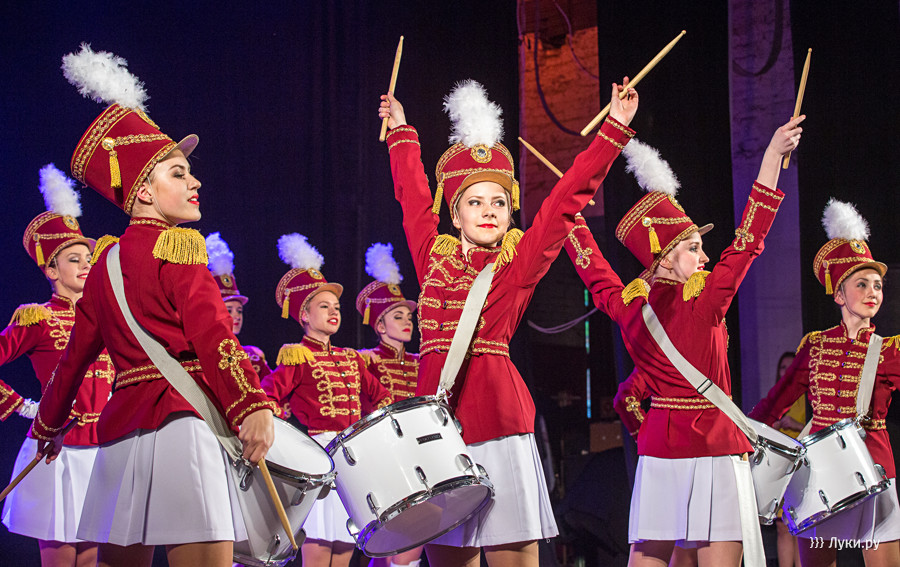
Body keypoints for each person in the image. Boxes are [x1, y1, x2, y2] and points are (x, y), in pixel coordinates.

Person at [31, 45, 275, 567]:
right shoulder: (179, 246)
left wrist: (47, 428)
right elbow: (213, 335)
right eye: (179, 174)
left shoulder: (103, 265)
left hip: (120, 437)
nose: (195, 182)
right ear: (143, 191)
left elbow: (73, 360)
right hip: (181, 425)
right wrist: (250, 403)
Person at [379, 76, 638, 567]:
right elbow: (412, 198)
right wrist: (401, 132)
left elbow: (563, 204)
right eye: (475, 202)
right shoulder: (432, 256)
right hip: (437, 429)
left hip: (498, 424)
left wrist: (613, 131)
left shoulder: (516, 264)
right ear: (455, 213)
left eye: (499, 202)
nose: (489, 212)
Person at [562, 116, 804, 566]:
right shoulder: (704, 299)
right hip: (714, 446)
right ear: (664, 256)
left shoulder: (628, 306)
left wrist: (570, 214)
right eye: (693, 246)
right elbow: (748, 240)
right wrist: (771, 157)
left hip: (659, 450)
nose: (705, 255)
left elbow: (592, 268)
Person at [749, 199, 900, 567]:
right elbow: (775, 403)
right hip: (819, 469)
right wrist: (743, 436)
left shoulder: (890, 350)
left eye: (877, 285)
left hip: (874, 466)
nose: (873, 292)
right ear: (839, 294)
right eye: (862, 284)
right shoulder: (815, 346)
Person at [0, 164, 114, 567]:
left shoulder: (106, 321)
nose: (85, 264)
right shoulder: (38, 318)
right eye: (73, 259)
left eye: (88, 258)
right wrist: (22, 406)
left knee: (92, 558)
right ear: (51, 271)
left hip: (103, 449)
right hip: (57, 450)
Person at [262, 233, 392, 567]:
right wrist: (286, 443)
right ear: (304, 315)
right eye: (324, 306)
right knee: (319, 547)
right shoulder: (297, 355)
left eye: (336, 307)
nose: (334, 312)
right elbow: (267, 397)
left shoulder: (352, 358)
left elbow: (381, 396)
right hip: (317, 456)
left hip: (351, 459)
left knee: (344, 546)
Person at [354, 242, 422, 567]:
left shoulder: (422, 361)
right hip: (382, 456)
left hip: (417, 453)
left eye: (409, 316)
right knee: (390, 540)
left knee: (415, 537)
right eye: (398, 316)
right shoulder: (364, 360)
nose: (408, 321)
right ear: (380, 326)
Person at [205, 232, 273, 381]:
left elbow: (272, 391)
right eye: (229, 310)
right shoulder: (201, 354)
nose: (236, 316)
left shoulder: (253, 356)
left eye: (239, 310)